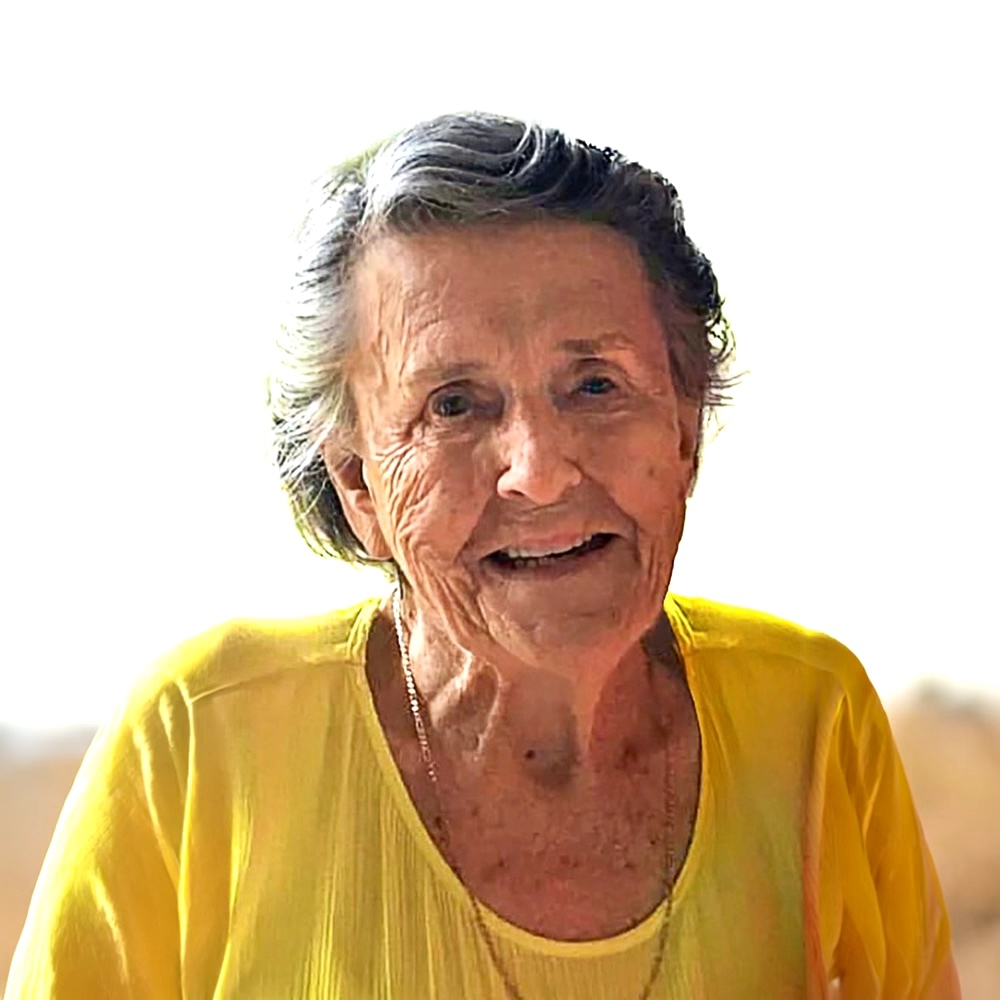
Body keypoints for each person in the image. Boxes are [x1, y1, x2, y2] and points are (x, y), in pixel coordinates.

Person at [5, 112, 960, 1000]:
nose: (538, 473)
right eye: (454, 405)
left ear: (685, 433)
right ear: (358, 485)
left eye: (596, 385)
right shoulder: (205, 738)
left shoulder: (812, 721)